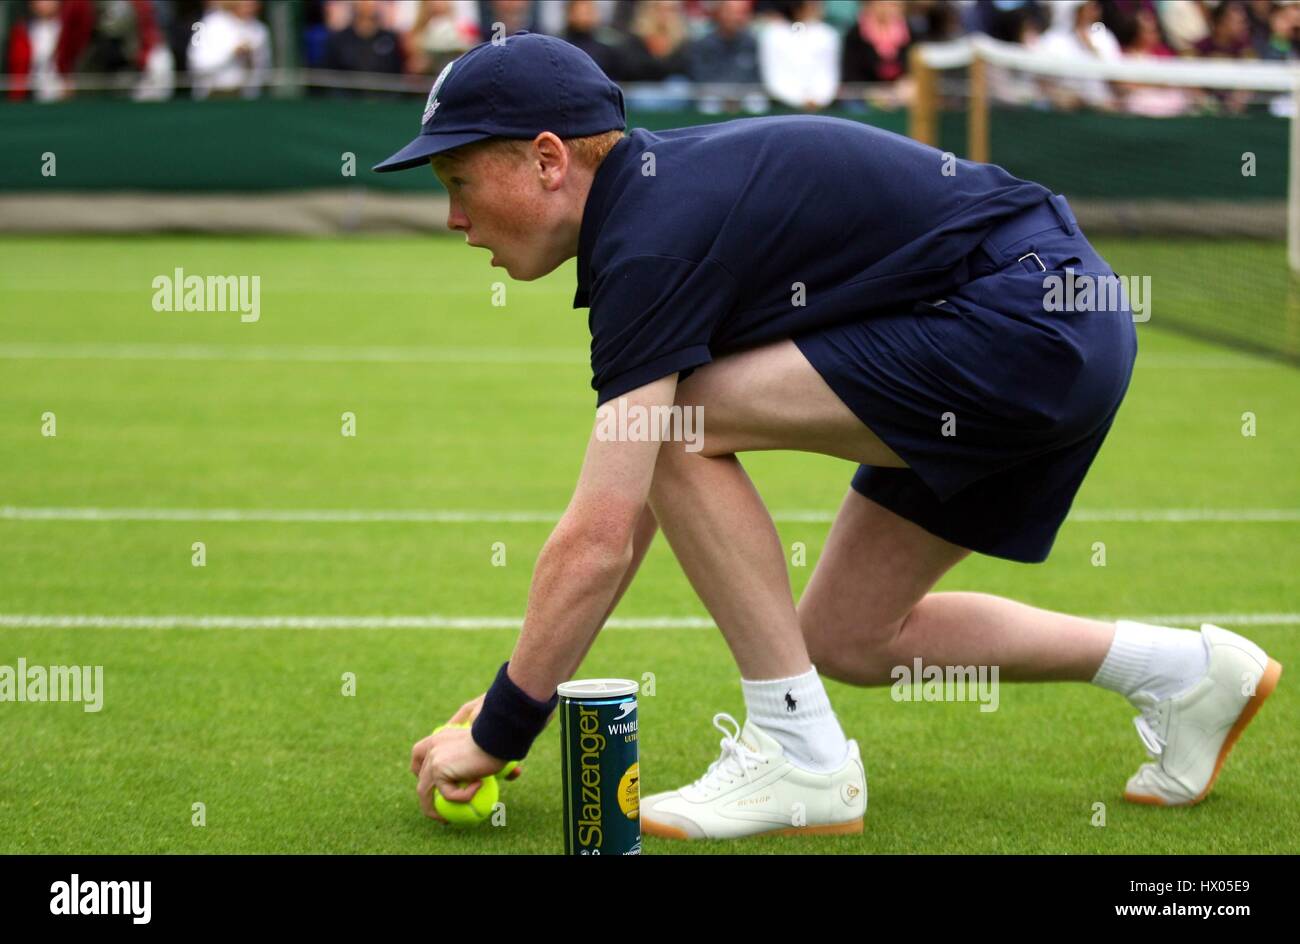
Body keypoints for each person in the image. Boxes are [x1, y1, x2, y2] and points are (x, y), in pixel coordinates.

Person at [376, 32, 1283, 840]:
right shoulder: (652, 206)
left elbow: (603, 529)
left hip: (1023, 323)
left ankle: (800, 757)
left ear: (545, 159)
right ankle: (1184, 672)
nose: (455, 220)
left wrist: (500, 729)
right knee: (850, 635)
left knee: (678, 424)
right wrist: (514, 699)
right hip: (1051, 325)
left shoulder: (648, 241)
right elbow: (638, 508)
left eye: (458, 183)